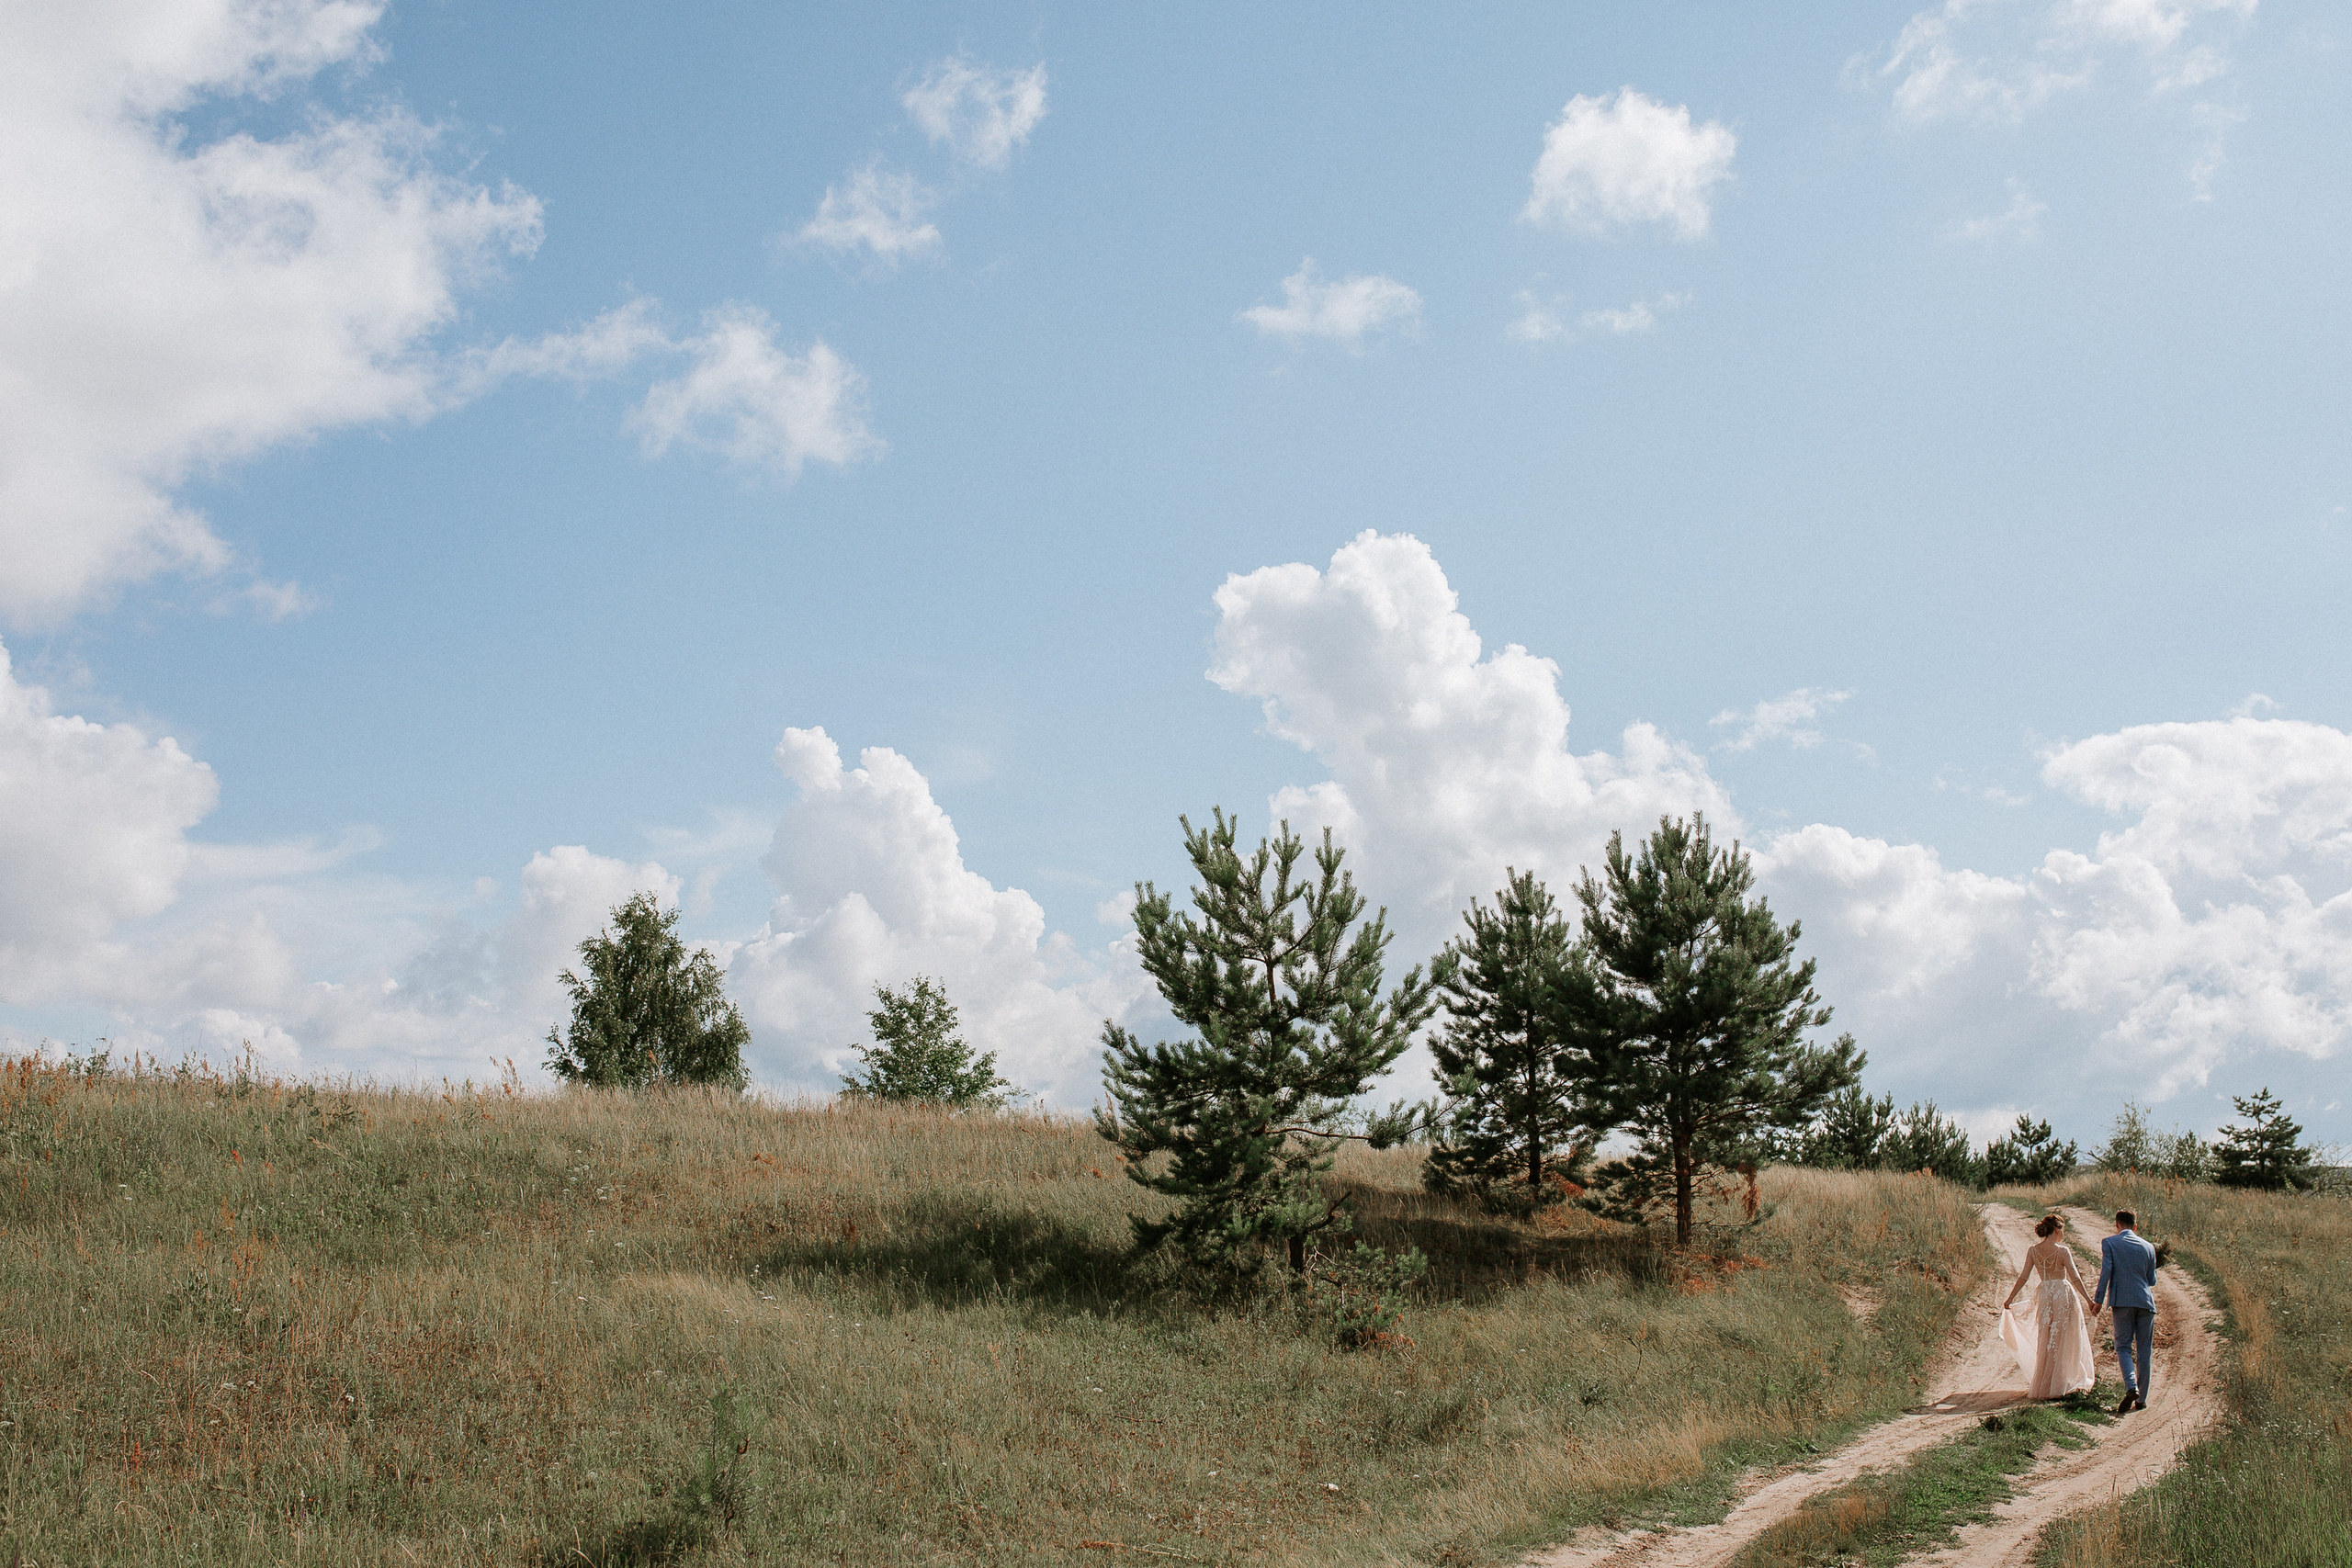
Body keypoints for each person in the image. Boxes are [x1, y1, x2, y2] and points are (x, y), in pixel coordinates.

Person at [1998, 1213, 2097, 1399]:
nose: (2062, 1234)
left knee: (2047, 1337)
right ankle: (2062, 1382)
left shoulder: (2033, 1250)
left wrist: (2010, 1298)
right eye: (2062, 1230)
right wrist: (2089, 1300)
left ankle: (2047, 1383)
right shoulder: (2062, 1251)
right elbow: (2075, 1278)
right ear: (2057, 1229)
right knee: (2065, 1337)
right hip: (2062, 1294)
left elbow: (2024, 1276)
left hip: (2045, 1294)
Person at [2093, 1208, 2160, 1414]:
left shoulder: (2110, 1243)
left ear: (2117, 1224)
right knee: (2144, 1350)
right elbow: (2152, 1281)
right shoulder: (2149, 1247)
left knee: (2123, 1346)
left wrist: (2098, 1299)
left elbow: (2106, 1273)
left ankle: (2132, 1386)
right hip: (2145, 1303)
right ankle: (2142, 1400)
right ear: (2135, 1226)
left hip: (2122, 1301)